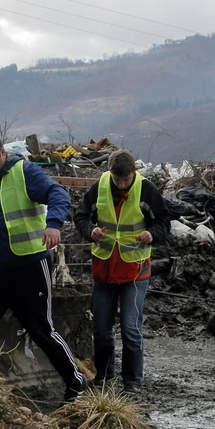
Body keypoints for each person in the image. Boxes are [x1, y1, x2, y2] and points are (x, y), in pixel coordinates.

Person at [0, 131, 87, 402]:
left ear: (2, 154)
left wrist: (53, 225)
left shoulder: (23, 172)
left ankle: (76, 383)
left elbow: (58, 194)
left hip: (27, 267)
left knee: (41, 329)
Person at [74, 149, 168, 395]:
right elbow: (81, 217)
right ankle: (104, 376)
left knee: (130, 329)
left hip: (135, 272)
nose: (121, 184)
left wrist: (152, 235)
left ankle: (132, 383)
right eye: (118, 179)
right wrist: (90, 231)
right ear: (110, 173)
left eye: (126, 179)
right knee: (102, 330)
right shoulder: (100, 187)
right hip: (104, 269)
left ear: (134, 172)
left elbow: (163, 224)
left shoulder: (147, 190)